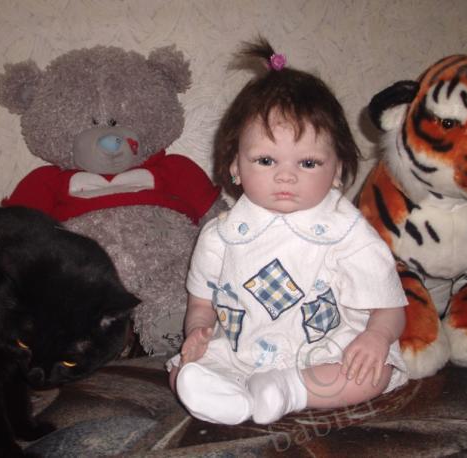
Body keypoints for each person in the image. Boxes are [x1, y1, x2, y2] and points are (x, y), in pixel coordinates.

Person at [167, 37, 408, 425]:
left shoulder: (349, 234)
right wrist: (198, 331)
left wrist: (376, 337)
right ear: (235, 166)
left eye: (308, 163)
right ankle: (230, 401)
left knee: (373, 373)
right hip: (241, 351)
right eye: (266, 160)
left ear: (337, 171)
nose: (286, 176)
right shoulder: (219, 237)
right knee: (183, 371)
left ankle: (288, 390)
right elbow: (201, 303)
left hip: (325, 353)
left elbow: (390, 307)